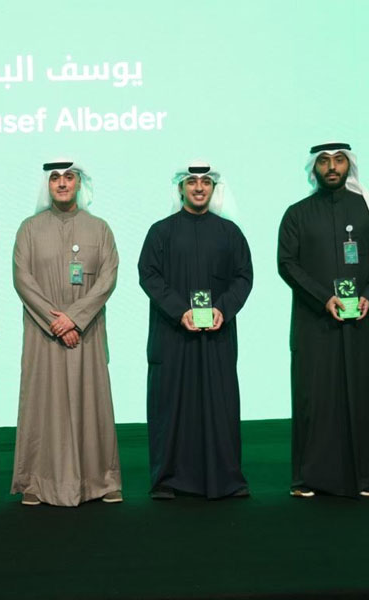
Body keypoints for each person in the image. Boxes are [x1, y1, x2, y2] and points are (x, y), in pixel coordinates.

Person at [277, 141, 369, 498]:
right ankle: (309, 479)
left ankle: (366, 478)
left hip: (361, 318)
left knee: (364, 392)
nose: (332, 167)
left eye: (339, 160)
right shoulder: (297, 214)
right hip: (314, 322)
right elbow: (287, 263)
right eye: (325, 162)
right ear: (314, 168)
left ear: (349, 166)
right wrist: (323, 298)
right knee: (315, 397)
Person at [137, 160, 253, 500]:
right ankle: (168, 480)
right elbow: (149, 275)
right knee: (171, 406)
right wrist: (179, 311)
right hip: (173, 335)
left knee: (219, 406)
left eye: (205, 182)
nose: (199, 188)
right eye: (192, 182)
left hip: (217, 334)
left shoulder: (230, 233)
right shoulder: (160, 232)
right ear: (181, 188)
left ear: (214, 188)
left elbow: (243, 276)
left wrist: (222, 309)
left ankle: (224, 479)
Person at [10, 159, 123, 507]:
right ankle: (36, 482)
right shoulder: (29, 229)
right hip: (43, 334)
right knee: (42, 404)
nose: (62, 183)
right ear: (47, 185)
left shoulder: (100, 229)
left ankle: (102, 481)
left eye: (68, 177)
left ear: (78, 183)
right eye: (55, 178)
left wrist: (74, 318)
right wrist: (56, 322)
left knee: (92, 402)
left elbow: (108, 278)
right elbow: (22, 280)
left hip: (87, 334)